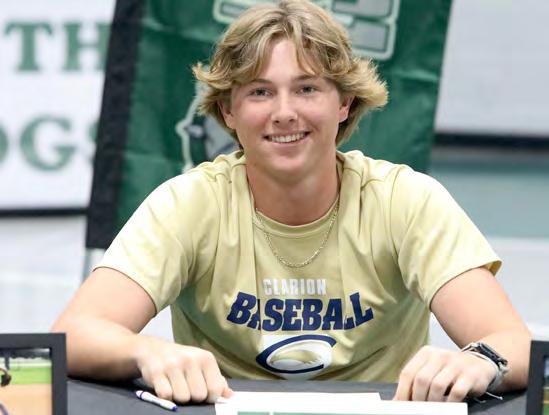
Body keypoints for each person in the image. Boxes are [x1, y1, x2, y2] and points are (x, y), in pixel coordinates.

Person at [52, 0, 530, 405]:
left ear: (343, 103)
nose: (284, 113)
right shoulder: (189, 203)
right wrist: (146, 351)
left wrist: (481, 360)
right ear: (228, 110)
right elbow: (73, 333)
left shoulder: (405, 200)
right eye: (261, 92)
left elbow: (516, 344)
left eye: (307, 89)